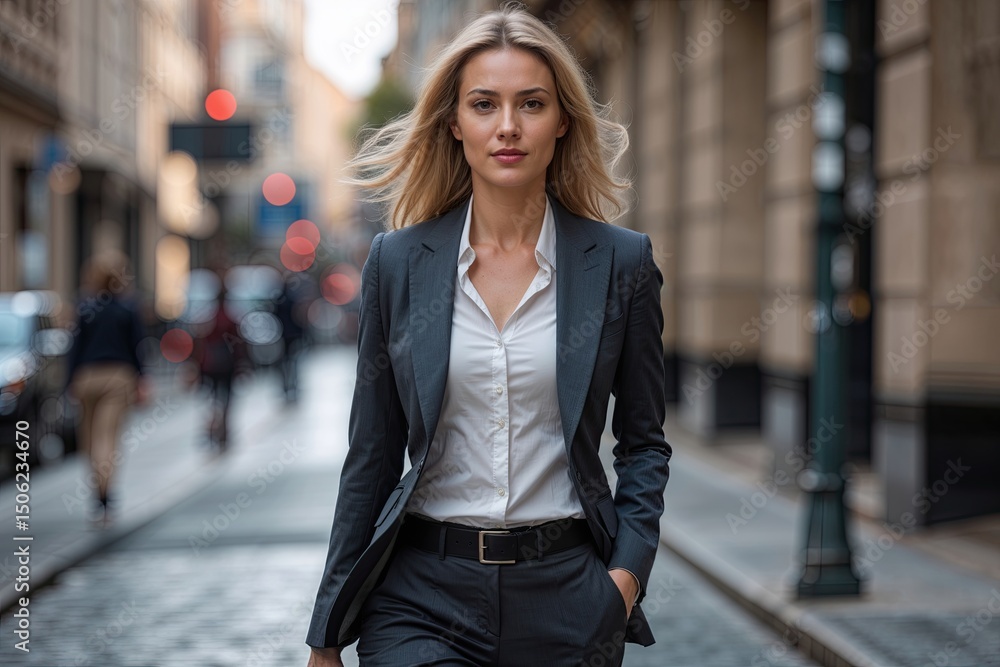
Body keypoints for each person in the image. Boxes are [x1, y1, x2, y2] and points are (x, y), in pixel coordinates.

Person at [306, 5, 671, 666]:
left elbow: (644, 442)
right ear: (455, 122)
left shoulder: (622, 264)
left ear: (562, 120)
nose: (508, 125)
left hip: (568, 598)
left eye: (531, 103)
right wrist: (326, 634)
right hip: (421, 597)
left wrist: (623, 581)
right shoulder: (398, 264)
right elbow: (372, 454)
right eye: (484, 104)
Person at [66, 249, 149, 526]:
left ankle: (97, 495)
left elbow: (74, 348)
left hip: (87, 377)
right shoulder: (128, 308)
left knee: (89, 440)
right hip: (118, 376)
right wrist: (142, 379)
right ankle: (105, 497)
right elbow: (138, 348)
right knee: (108, 438)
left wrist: (69, 382)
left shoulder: (85, 308)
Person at [193, 275, 245, 452]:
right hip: (226, 364)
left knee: (214, 399)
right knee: (226, 399)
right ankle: (223, 429)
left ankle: (216, 427)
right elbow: (239, 345)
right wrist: (242, 365)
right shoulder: (231, 318)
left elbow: (201, 344)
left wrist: (198, 366)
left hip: (211, 365)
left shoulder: (208, 318)